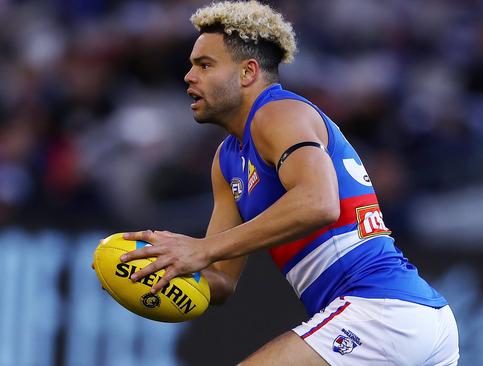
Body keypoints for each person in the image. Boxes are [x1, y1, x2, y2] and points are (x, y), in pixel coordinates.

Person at [117, 2, 459, 365]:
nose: (189, 76)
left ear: (248, 72)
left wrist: (201, 248)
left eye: (204, 65)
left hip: (381, 310)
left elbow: (319, 203)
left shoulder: (278, 113)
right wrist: (160, 269)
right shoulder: (227, 160)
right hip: (405, 319)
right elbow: (220, 280)